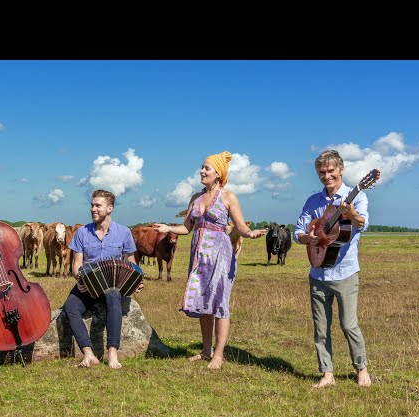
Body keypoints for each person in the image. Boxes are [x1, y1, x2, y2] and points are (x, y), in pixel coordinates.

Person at [154, 151, 266, 370]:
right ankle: (206, 351)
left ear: (218, 174)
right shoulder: (195, 198)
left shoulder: (228, 197)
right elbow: (187, 227)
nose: (202, 171)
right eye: (202, 167)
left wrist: (250, 234)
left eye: (207, 168)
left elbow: (241, 226)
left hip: (220, 255)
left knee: (219, 302)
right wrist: (168, 228)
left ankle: (219, 354)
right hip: (198, 255)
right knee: (203, 301)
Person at [293, 149, 372, 388]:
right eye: (321, 172)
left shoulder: (355, 196)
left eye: (330, 171)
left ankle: (361, 368)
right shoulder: (313, 201)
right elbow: (298, 232)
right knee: (321, 327)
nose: (326, 176)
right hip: (318, 272)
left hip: (345, 272)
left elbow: (362, 224)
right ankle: (327, 373)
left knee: (349, 324)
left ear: (341, 170)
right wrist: (310, 239)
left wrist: (351, 212)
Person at [64, 189, 144, 369]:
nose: (93, 209)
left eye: (97, 206)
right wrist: (79, 279)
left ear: (109, 208)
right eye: (92, 205)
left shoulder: (123, 232)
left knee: (113, 296)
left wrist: (136, 280)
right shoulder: (81, 233)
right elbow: (76, 264)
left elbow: (131, 262)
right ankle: (88, 353)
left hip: (112, 285)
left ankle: (112, 354)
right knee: (70, 307)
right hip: (88, 284)